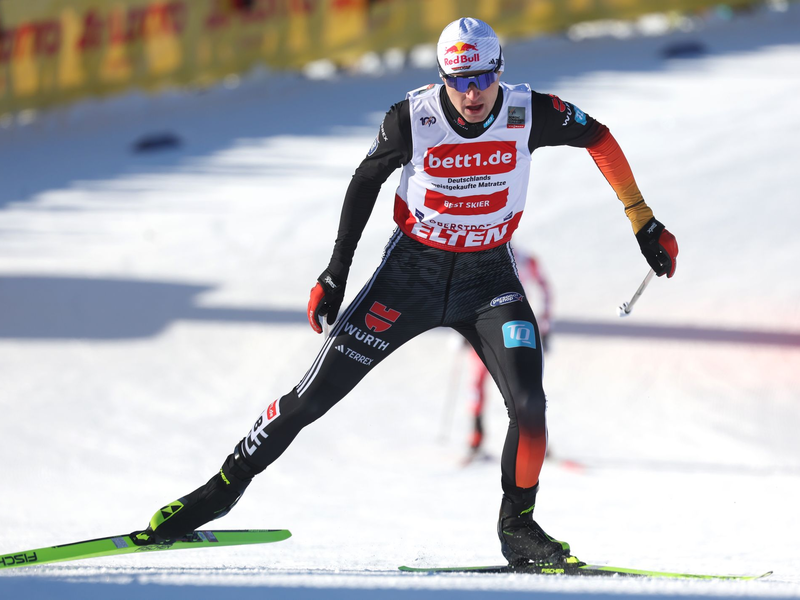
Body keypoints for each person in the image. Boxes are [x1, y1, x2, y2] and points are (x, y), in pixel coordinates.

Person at [131, 17, 678, 567]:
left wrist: (643, 220)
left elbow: (599, 138)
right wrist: (334, 274)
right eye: (457, 80)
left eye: (481, 79)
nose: (469, 93)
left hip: (488, 278)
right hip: (410, 276)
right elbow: (364, 182)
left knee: (530, 407)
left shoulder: (527, 110)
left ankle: (519, 530)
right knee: (311, 398)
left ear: (499, 71)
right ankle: (216, 493)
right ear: (441, 76)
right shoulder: (412, 117)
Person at [465, 251, 552, 459]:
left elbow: (545, 289)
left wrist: (545, 325)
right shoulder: (482, 258)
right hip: (487, 328)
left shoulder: (525, 259)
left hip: (513, 328)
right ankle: (476, 438)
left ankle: (535, 438)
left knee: (522, 384)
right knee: (478, 383)